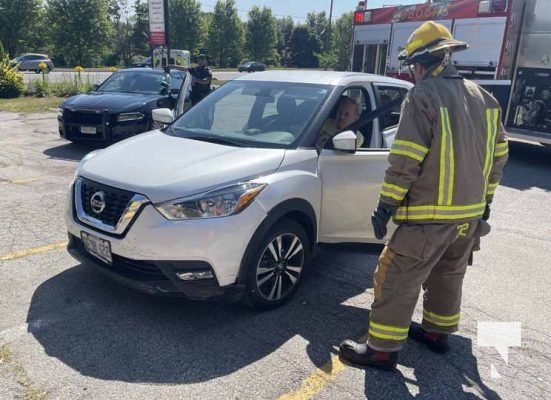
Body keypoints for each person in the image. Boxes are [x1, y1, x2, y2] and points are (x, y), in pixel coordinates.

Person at [338, 21, 509, 371]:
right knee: (448, 274)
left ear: (426, 61)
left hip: (429, 218)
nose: (413, 72)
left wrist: (386, 206)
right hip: (469, 218)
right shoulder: (485, 98)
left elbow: (406, 159)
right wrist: (486, 201)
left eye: (413, 65)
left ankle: (382, 349)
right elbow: (499, 155)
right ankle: (436, 333)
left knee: (395, 278)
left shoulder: (424, 95)